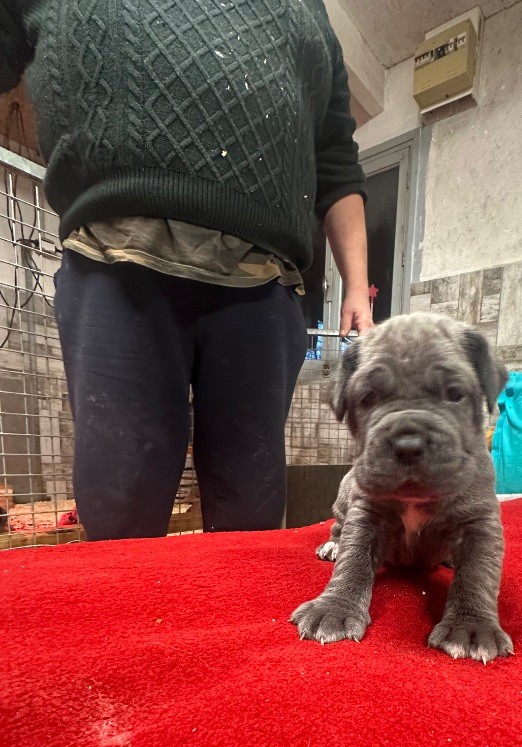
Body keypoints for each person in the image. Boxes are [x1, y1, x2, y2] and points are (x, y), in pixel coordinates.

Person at [0, 0, 372, 540]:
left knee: (252, 526)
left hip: (264, 285)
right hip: (114, 260)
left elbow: (336, 159)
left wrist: (356, 285)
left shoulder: (310, 13)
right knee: (119, 518)